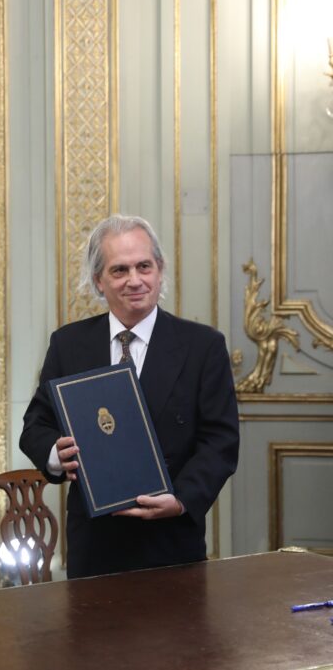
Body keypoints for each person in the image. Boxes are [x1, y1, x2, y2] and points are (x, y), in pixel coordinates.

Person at [19, 214, 239, 578]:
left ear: (160, 270)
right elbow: (35, 426)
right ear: (98, 281)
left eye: (144, 266)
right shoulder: (68, 344)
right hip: (94, 546)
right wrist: (56, 455)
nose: (134, 280)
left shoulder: (203, 346)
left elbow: (221, 440)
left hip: (171, 543)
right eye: (119, 270)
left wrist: (181, 499)